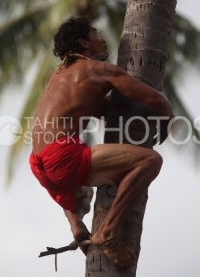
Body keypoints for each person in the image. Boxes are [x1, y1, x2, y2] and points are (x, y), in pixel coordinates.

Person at [29, 16, 174, 269]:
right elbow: (157, 100)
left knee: (83, 193)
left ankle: (76, 224)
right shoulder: (100, 70)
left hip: (39, 162)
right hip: (62, 157)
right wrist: (167, 120)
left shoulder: (57, 76)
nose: (103, 39)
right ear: (84, 42)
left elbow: (88, 108)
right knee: (151, 161)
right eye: (96, 34)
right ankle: (108, 231)